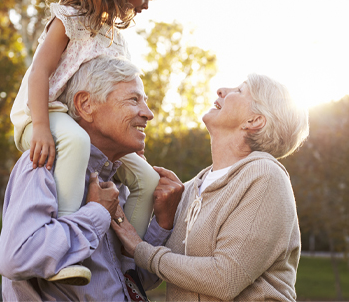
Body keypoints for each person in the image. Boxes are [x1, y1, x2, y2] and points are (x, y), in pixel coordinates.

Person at [9, 0, 164, 283]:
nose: (146, 6)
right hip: (45, 110)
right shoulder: (68, 20)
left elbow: (116, 91)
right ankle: (65, 252)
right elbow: (39, 73)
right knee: (76, 143)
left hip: (80, 117)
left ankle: (126, 259)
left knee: (146, 178)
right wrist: (41, 126)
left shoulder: (115, 37)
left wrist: (130, 138)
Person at [0, 57, 184, 301]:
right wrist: (96, 213)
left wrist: (163, 222)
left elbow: (134, 280)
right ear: (85, 104)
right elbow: (17, 258)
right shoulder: (43, 164)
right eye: (134, 99)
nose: (148, 114)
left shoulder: (118, 183)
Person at [112, 73, 310, 301]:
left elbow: (224, 279)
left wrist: (139, 248)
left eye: (239, 90)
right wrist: (160, 217)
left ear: (254, 121)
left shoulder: (265, 176)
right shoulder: (190, 189)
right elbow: (145, 276)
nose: (221, 90)